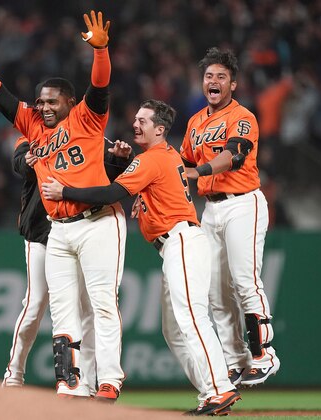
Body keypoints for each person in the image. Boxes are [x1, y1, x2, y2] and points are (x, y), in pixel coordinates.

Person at [0, 11, 127, 401]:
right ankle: (70, 382)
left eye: (52, 100)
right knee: (63, 311)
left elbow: (100, 84)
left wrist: (100, 49)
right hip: (58, 229)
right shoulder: (33, 126)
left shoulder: (88, 117)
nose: (44, 106)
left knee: (101, 304)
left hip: (96, 221)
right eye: (40, 101)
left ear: (70, 101)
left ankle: (109, 380)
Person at [42, 99, 241, 416]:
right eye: (135, 119)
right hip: (175, 244)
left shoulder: (151, 160)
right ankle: (209, 392)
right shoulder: (163, 156)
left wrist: (64, 192)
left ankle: (220, 388)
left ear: (160, 129)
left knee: (191, 317)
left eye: (143, 121)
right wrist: (145, 197)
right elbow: (153, 185)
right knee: (174, 332)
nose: (136, 124)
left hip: (183, 241)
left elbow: (109, 194)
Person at [3, 134, 133, 394]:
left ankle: (86, 382)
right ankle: (14, 374)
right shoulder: (34, 132)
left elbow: (103, 177)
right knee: (34, 305)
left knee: (88, 310)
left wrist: (118, 160)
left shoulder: (84, 133)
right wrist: (26, 162)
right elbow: (20, 161)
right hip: (42, 234)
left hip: (82, 230)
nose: (48, 108)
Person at [181, 47, 280, 387]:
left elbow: (234, 156)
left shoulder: (243, 117)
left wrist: (198, 172)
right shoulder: (195, 123)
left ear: (233, 85)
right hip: (211, 208)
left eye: (221, 76)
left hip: (243, 203)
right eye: (209, 76)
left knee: (244, 281)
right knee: (216, 293)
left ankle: (264, 355)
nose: (214, 81)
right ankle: (236, 360)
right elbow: (181, 165)